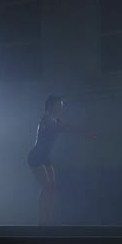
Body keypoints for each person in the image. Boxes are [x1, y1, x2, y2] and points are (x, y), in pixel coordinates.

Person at [27, 95, 96, 225]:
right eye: (59, 105)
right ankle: (41, 222)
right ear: (51, 106)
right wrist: (84, 132)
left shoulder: (55, 119)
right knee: (47, 187)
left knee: (52, 188)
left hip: (45, 157)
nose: (61, 108)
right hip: (36, 156)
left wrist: (83, 133)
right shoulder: (46, 118)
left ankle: (48, 221)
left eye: (62, 106)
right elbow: (65, 127)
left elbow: (64, 127)